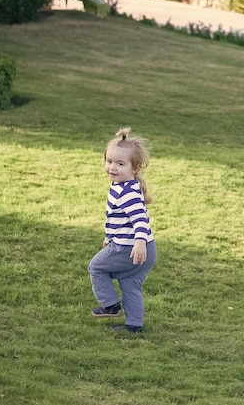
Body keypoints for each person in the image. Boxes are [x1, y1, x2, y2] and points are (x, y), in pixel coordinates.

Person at [87, 127, 156, 333]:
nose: (112, 168)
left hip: (131, 248)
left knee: (96, 267)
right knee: (129, 282)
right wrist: (110, 236)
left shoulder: (127, 193)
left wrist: (139, 242)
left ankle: (111, 305)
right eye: (109, 162)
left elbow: (140, 220)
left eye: (120, 164)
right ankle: (134, 325)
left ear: (134, 168)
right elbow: (117, 219)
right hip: (145, 249)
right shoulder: (125, 185)